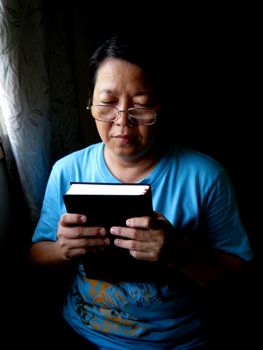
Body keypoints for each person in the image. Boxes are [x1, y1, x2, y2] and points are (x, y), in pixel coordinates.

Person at [29, 34, 254, 350]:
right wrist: (62, 249)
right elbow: (36, 256)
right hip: (82, 333)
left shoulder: (206, 176)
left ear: (159, 107)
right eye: (107, 104)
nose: (122, 122)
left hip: (175, 342)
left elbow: (237, 275)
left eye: (142, 106)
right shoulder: (67, 170)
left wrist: (180, 253)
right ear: (90, 103)